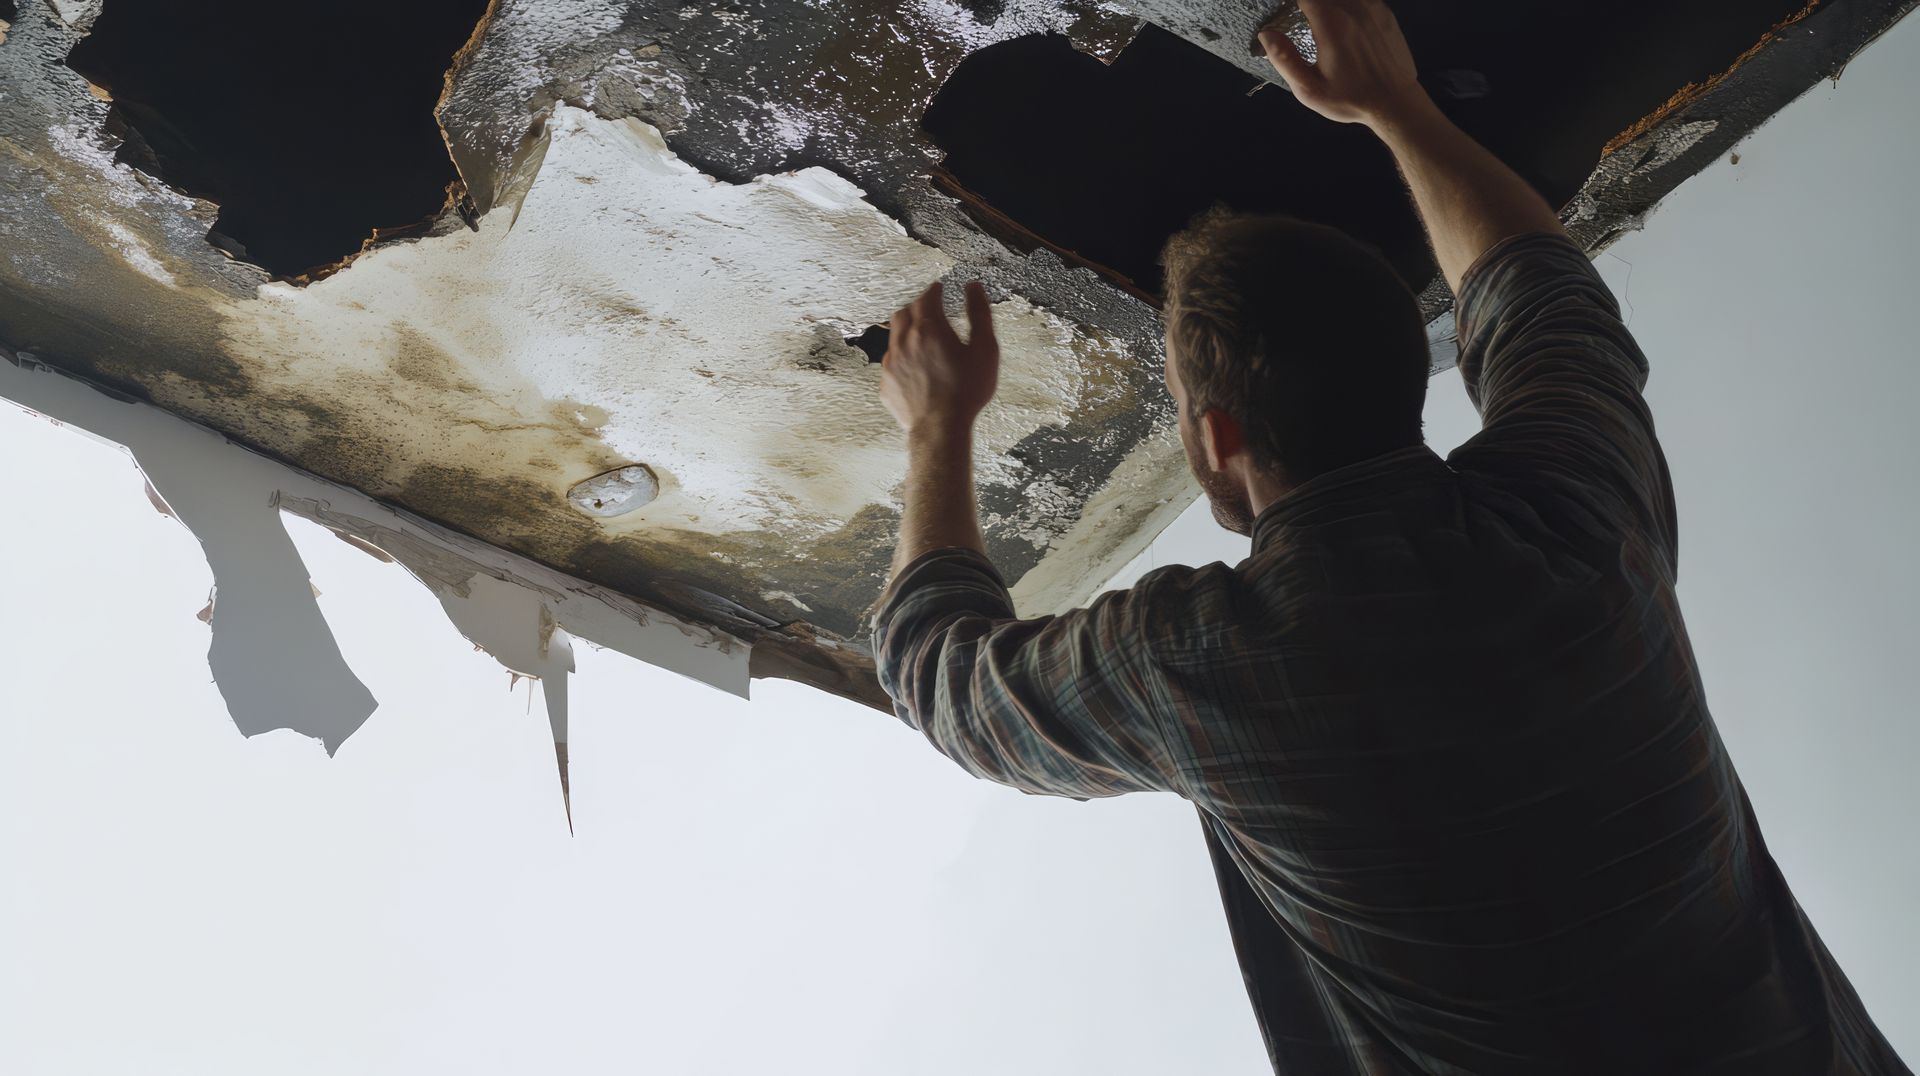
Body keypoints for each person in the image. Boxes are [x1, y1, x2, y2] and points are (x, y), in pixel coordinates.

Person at [870, 0, 1910, 1072]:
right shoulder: (1571, 523)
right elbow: (1540, 290)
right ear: (1404, 375)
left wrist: (937, 425)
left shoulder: (1207, 662)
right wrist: (1399, 108)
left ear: (1217, 436)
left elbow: (938, 674)